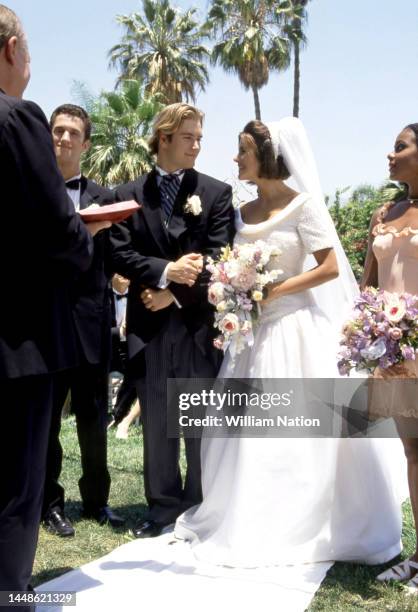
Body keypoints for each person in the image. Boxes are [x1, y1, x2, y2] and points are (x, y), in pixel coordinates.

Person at [174, 118, 403, 567]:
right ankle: (245, 514)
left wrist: (272, 290)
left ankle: (306, 519)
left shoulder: (304, 207)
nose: (236, 159)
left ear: (266, 157)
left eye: (243, 151)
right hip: (250, 337)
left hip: (295, 330)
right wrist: (235, 292)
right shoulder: (241, 212)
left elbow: (329, 268)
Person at [0, 5, 109, 607]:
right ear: (12, 50)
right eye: (31, 55)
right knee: (17, 485)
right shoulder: (17, 118)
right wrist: (81, 234)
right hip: (17, 339)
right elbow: (57, 233)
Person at [111, 103, 235, 538]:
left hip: (197, 326)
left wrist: (174, 293)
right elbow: (120, 252)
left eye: (199, 137)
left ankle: (199, 506)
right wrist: (164, 272)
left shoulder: (217, 193)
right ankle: (162, 508)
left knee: (198, 422)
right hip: (148, 329)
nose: (197, 146)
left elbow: (220, 255)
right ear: (163, 138)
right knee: (159, 423)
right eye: (188, 138)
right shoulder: (125, 194)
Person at [42, 104, 125, 536]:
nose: (64, 139)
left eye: (73, 133)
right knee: (47, 421)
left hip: (92, 323)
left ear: (86, 143)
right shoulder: (30, 190)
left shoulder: (105, 197)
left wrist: (130, 279)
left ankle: (97, 501)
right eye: (58, 131)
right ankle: (49, 504)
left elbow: (114, 258)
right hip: (43, 324)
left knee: (94, 417)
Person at [361, 123, 418, 593]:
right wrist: (367, 330)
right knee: (413, 450)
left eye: (400, 146)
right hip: (393, 348)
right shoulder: (385, 212)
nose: (390, 153)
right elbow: (369, 284)